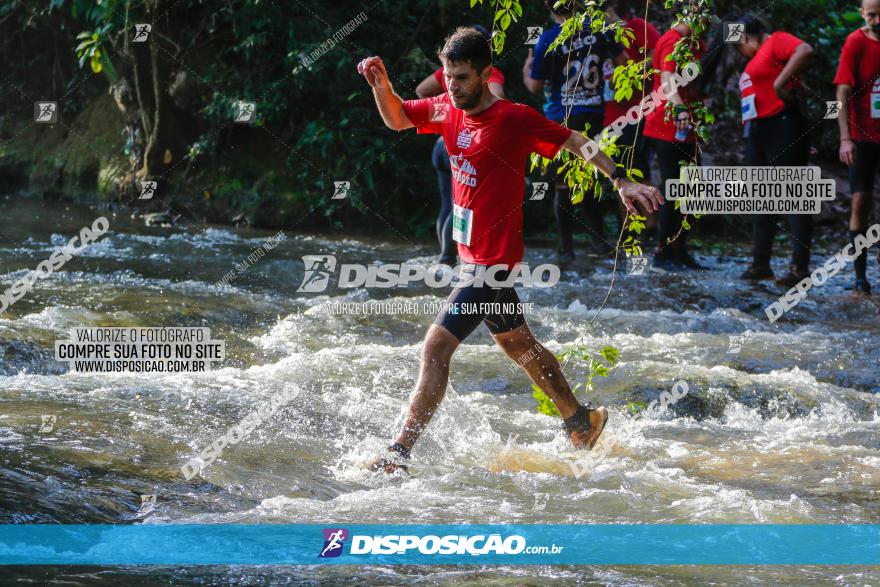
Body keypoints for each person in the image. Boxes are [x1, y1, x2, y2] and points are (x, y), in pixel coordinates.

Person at [356, 27, 663, 473]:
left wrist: (620, 179)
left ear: (485, 75)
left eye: (461, 77)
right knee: (521, 346)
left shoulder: (514, 118)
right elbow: (398, 118)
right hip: (469, 259)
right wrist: (381, 86)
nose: (453, 85)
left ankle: (398, 453)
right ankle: (581, 421)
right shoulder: (445, 108)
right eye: (447, 76)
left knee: (435, 348)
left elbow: (577, 141)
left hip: (492, 263)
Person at [523, 0, 626, 265]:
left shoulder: (547, 39)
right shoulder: (599, 29)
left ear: (548, 6)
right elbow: (623, 61)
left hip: (561, 117)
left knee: (562, 185)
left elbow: (534, 86)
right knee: (591, 175)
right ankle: (601, 242)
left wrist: (526, 67)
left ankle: (566, 248)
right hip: (593, 114)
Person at [733, 14, 814, 286]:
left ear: (745, 37)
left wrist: (780, 83)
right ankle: (760, 264)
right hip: (758, 129)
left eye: (738, 44)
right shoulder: (753, 60)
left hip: (783, 123)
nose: (738, 51)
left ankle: (799, 268)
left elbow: (804, 50)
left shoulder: (776, 40)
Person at [415, 24, 506, 269]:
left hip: (441, 145)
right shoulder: (489, 73)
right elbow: (497, 103)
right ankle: (448, 260)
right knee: (460, 206)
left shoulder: (449, 71)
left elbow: (421, 90)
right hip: (462, 146)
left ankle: (445, 259)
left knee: (448, 204)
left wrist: (445, 115)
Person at [643, 17, 710, 270]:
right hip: (667, 125)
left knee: (692, 189)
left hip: (689, 127)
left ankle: (680, 250)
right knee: (674, 189)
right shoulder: (671, 41)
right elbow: (668, 79)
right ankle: (663, 252)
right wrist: (681, 110)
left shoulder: (697, 44)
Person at [834, 0, 880, 296]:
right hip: (863, 137)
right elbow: (842, 91)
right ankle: (860, 278)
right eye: (872, 14)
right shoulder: (856, 42)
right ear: (863, 14)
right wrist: (845, 138)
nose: (877, 19)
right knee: (859, 202)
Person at [602, 0, 660, 215]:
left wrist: (628, 74)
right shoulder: (597, 34)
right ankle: (628, 231)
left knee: (640, 171)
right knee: (619, 175)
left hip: (636, 112)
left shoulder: (636, 26)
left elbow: (657, 57)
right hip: (609, 115)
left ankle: (649, 228)